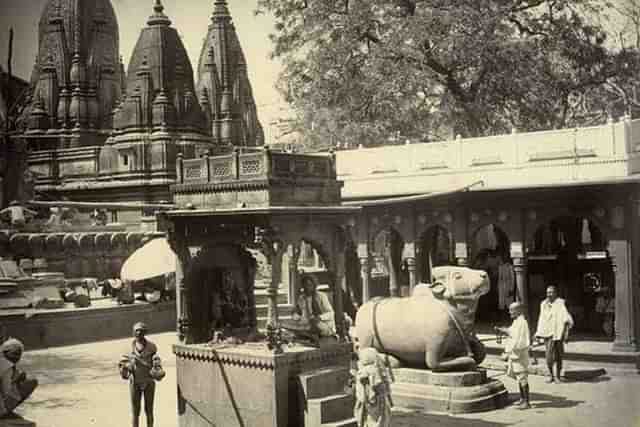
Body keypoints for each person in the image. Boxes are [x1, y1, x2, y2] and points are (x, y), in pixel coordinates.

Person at [119, 322, 164, 427]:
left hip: (149, 381)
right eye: (137, 331)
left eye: (141, 331)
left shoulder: (152, 347)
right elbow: (122, 365)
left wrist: (156, 368)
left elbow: (156, 362)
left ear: (145, 332)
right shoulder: (128, 348)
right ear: (133, 333)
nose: (139, 333)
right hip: (135, 382)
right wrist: (128, 366)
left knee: (149, 410)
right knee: (135, 411)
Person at [280, 276, 336, 345]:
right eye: (305, 285)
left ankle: (305, 336)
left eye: (309, 285)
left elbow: (331, 313)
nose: (307, 287)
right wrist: (296, 316)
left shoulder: (321, 296)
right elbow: (297, 312)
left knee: (312, 324)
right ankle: (308, 336)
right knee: (283, 324)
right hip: (305, 324)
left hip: (321, 324)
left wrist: (319, 317)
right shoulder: (301, 298)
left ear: (314, 285)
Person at [535, 285, 574, 383]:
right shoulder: (543, 304)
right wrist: (538, 333)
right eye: (548, 292)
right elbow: (541, 318)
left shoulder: (560, 303)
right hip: (548, 334)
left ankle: (558, 376)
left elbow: (566, 318)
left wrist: (566, 333)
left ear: (556, 293)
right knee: (549, 357)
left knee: (558, 356)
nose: (549, 294)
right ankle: (551, 375)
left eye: (551, 292)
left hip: (558, 333)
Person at [496, 302, 531, 409]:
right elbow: (511, 332)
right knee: (519, 377)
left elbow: (519, 341)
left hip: (519, 354)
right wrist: (503, 330)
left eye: (512, 310)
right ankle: (522, 398)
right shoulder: (517, 322)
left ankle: (526, 402)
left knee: (522, 377)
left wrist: (507, 352)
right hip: (516, 354)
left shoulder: (522, 323)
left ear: (518, 310)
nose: (509, 312)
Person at [354, 347, 392, 427]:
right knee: (379, 420)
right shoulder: (374, 371)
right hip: (377, 401)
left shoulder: (361, 371)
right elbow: (379, 385)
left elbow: (359, 389)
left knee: (366, 419)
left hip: (365, 401)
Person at [0, 338, 38, 418]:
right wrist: (17, 380)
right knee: (33, 381)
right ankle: (5, 411)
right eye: (16, 354)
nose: (17, 357)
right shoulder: (7, 365)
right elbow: (7, 391)